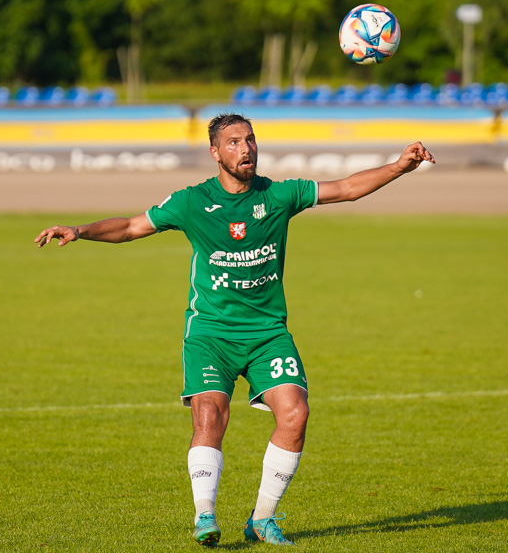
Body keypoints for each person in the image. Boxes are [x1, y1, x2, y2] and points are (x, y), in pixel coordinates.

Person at [34, 113, 434, 548]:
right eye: (234, 143)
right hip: (211, 333)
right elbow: (132, 227)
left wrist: (398, 167)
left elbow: (347, 189)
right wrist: (79, 230)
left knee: (295, 414)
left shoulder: (279, 195)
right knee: (209, 415)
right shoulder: (191, 202)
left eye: (250, 140)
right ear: (215, 152)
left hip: (267, 334)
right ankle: (205, 515)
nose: (246, 149)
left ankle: (262, 519)